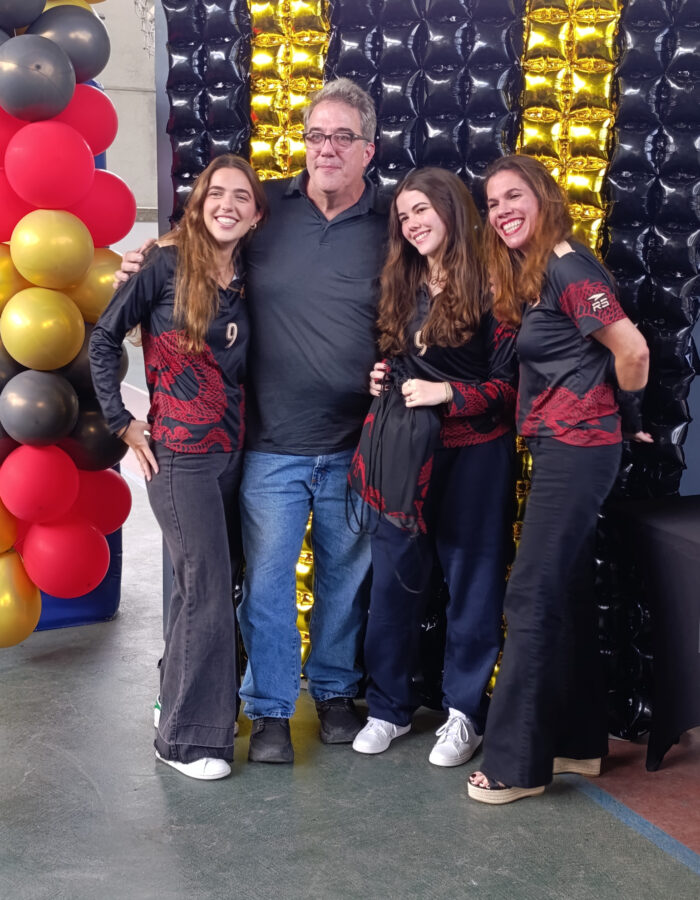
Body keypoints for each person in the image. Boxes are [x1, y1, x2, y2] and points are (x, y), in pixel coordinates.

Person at [117, 79, 388, 764]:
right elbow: (206, 236)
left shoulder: (390, 224)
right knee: (265, 586)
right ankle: (269, 708)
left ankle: (334, 693)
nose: (326, 149)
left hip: (355, 443)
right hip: (267, 445)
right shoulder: (269, 209)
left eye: (342, 137)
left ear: (368, 149)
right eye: (316, 135)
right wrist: (146, 259)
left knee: (344, 580)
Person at [466, 154, 651, 804]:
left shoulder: (569, 266)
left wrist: (625, 418)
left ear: (544, 199)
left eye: (513, 196)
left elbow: (632, 349)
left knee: (531, 595)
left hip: (578, 447)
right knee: (565, 592)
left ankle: (515, 767)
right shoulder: (540, 269)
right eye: (493, 203)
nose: (502, 211)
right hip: (560, 444)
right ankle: (579, 742)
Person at [90, 155, 268, 781]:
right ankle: (186, 740)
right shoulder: (163, 265)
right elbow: (103, 339)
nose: (227, 204)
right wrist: (121, 421)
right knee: (207, 590)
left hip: (234, 453)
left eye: (241, 196)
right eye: (216, 193)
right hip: (180, 456)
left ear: (256, 215)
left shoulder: (247, 275)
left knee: (195, 585)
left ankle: (176, 699)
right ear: (198, 204)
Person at [347, 168, 517, 766]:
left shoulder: (495, 282)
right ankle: (388, 708)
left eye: (422, 209)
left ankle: (464, 713)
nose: (413, 223)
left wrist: (449, 395)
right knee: (393, 582)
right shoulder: (403, 280)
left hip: (476, 456)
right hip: (404, 454)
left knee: (473, 584)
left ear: (451, 208)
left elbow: (510, 387)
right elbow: (397, 358)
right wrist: (382, 376)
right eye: (404, 215)